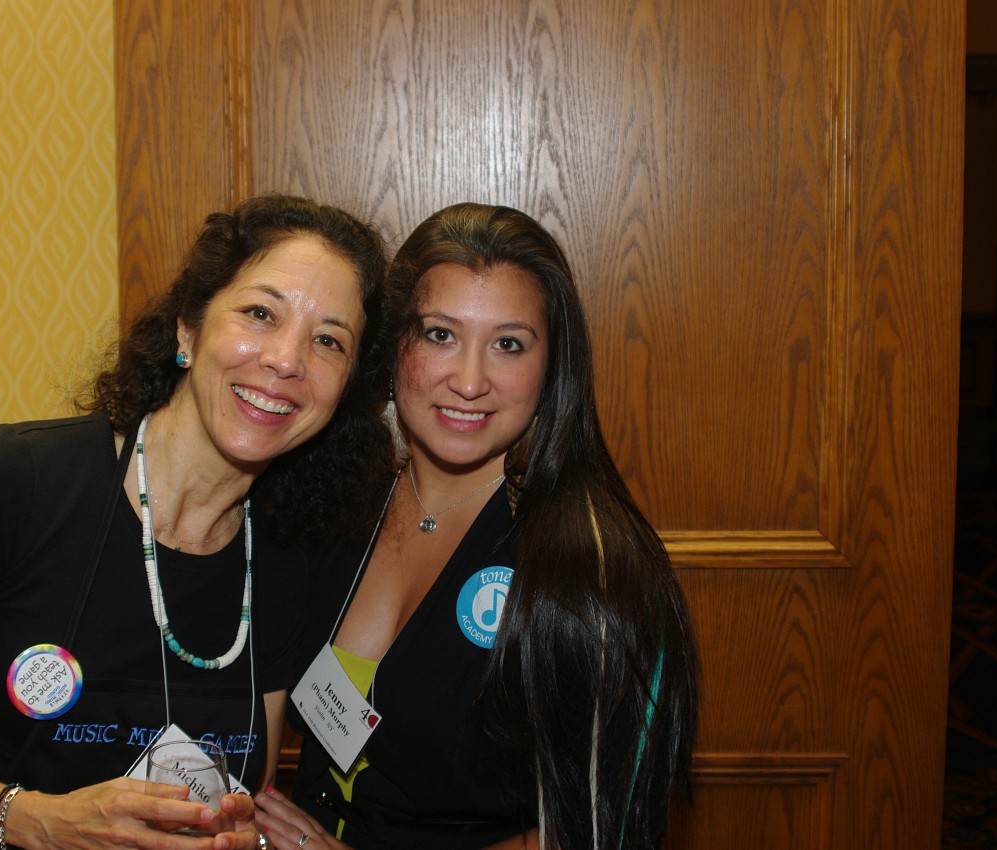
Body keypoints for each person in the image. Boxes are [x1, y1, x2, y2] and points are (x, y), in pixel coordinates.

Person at [0, 195, 395, 850]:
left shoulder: (291, 556)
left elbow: (242, 787)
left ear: (346, 384)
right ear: (187, 328)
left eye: (327, 341)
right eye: (260, 313)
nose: (288, 359)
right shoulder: (17, 482)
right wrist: (36, 821)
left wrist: (241, 834)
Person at [254, 203, 698, 850]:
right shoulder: (337, 504)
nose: (468, 381)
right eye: (439, 334)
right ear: (391, 344)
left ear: (550, 368)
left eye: (508, 344)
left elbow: (599, 830)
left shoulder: (591, 563)